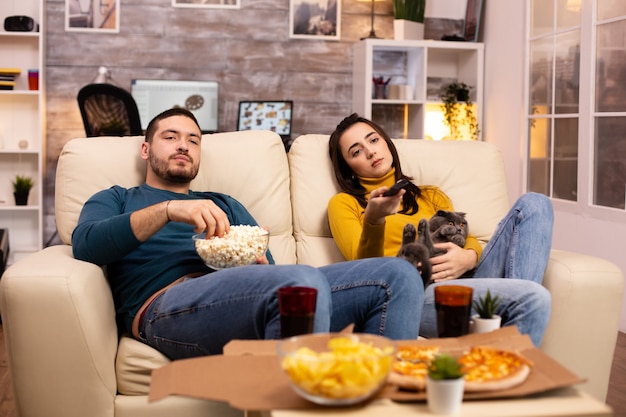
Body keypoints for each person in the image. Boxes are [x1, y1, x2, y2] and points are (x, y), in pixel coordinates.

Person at [71, 108, 424, 360]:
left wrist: (249, 256)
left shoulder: (224, 203)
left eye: (193, 140)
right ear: (146, 149)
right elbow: (86, 245)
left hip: (244, 298)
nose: (183, 145)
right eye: (171, 137)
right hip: (164, 308)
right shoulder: (118, 198)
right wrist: (168, 211)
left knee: (399, 275)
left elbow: (268, 270)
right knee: (299, 285)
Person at [327, 113, 554, 346]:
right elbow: (365, 269)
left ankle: (513, 304)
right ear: (349, 170)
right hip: (418, 292)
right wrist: (375, 219)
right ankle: (515, 311)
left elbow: (467, 236)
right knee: (533, 297)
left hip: (469, 276)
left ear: (386, 142)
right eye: (356, 151)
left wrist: (468, 257)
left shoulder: (430, 194)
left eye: (373, 140)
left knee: (535, 203)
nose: (371, 151)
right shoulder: (345, 204)